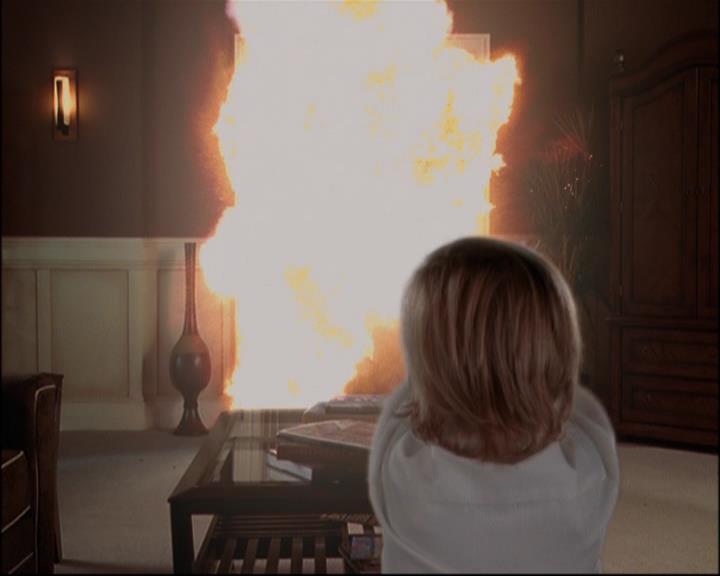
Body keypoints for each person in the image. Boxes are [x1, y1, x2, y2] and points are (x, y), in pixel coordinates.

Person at [368, 236, 619, 573]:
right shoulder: (589, 477)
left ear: (429, 365)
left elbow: (398, 407)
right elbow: (585, 413)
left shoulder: (402, 476)